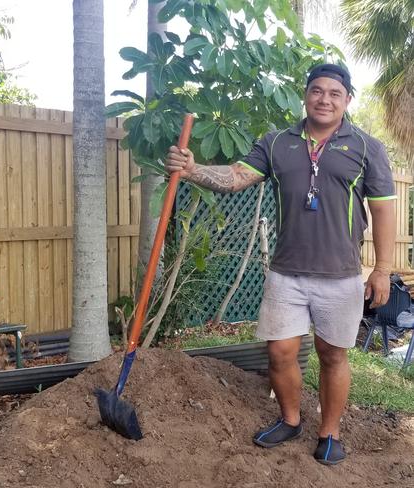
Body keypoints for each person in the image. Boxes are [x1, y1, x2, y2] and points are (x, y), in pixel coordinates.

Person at [165, 63, 396, 465]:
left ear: (347, 100)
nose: (325, 99)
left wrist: (382, 268)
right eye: (317, 91)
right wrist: (193, 170)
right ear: (305, 95)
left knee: (332, 355)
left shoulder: (366, 147)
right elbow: (237, 176)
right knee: (280, 353)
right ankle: (290, 420)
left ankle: (330, 432)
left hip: (340, 275)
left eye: (334, 93)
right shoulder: (277, 143)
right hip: (286, 273)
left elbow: (384, 210)